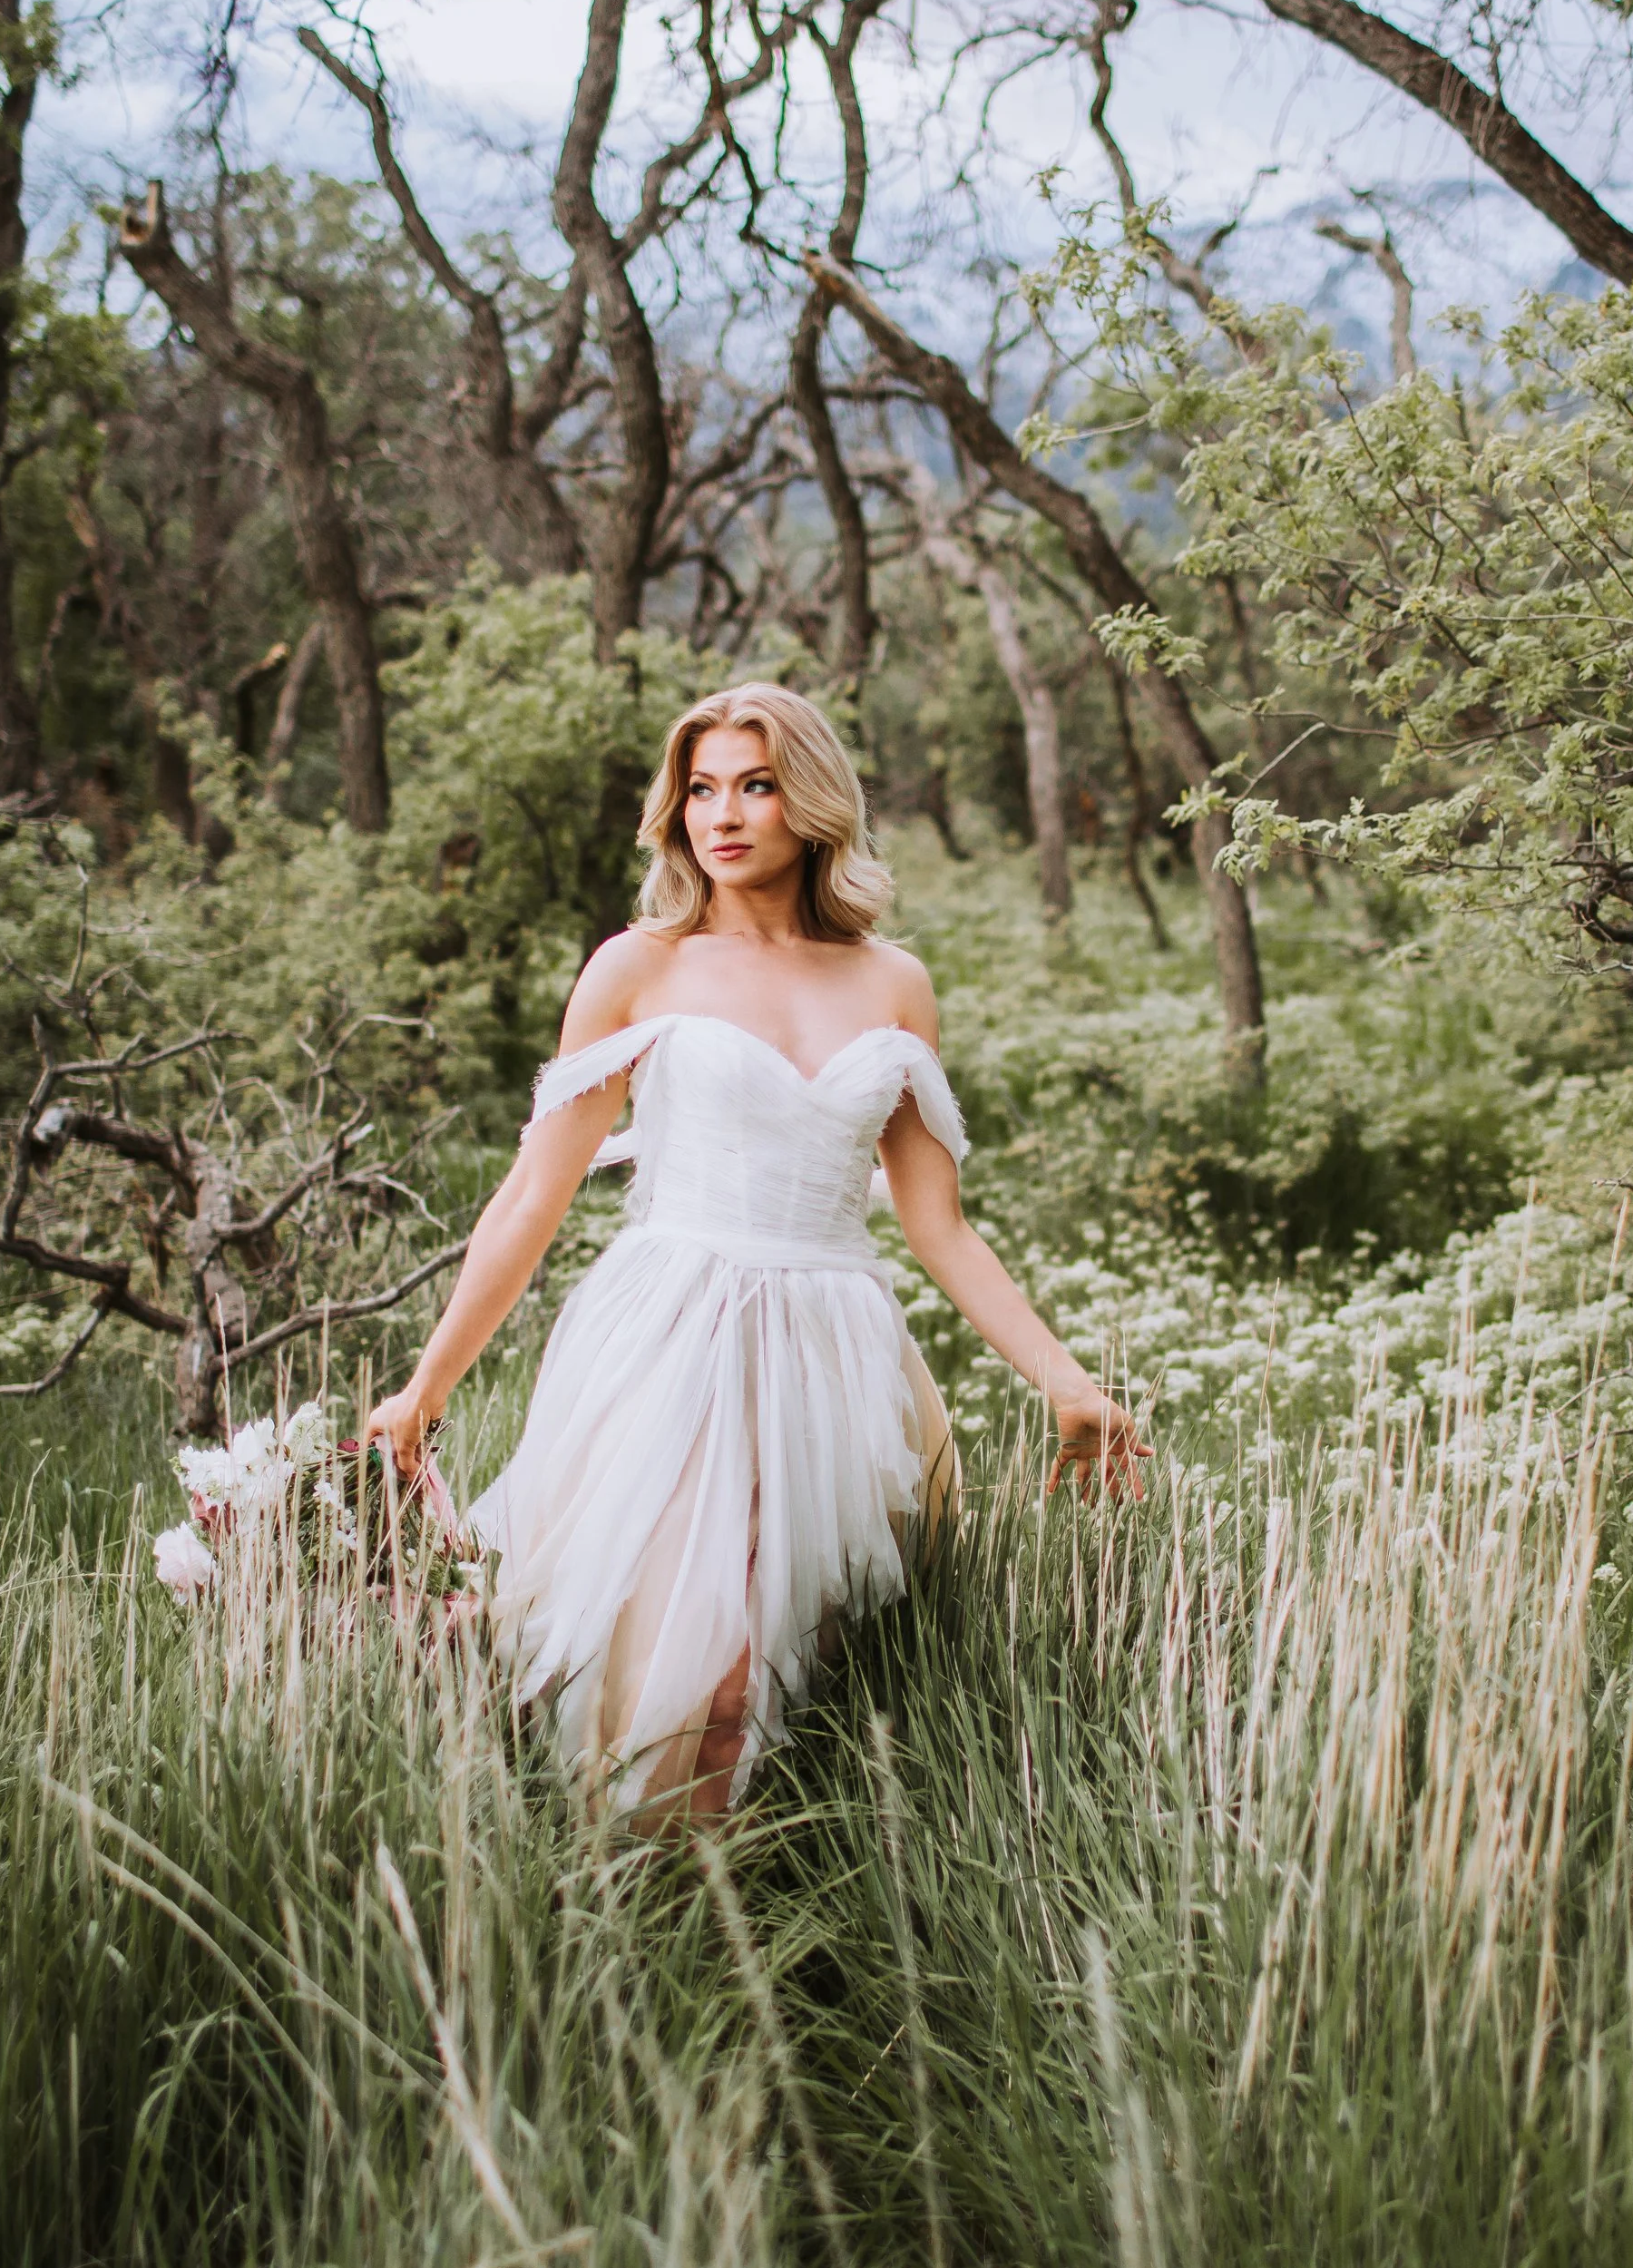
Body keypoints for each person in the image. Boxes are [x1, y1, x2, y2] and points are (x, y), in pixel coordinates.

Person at [365, 679, 1149, 1823]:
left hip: (837, 1351)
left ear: (815, 805)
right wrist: (425, 1387)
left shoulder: (893, 983)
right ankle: (628, 1912)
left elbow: (939, 1224)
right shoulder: (639, 965)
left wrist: (1067, 1384)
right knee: (693, 1663)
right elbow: (535, 1193)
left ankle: (772, 1918)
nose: (721, 816)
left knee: (803, 1668)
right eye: (701, 791)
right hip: (676, 1334)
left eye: (757, 787)